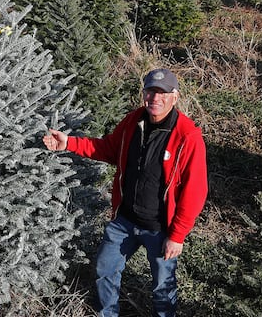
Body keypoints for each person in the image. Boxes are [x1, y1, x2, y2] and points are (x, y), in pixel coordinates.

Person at [43, 68, 208, 317]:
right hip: (124, 221)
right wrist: (69, 143)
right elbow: (108, 149)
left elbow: (195, 191)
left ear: (175, 96)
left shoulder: (187, 136)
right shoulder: (134, 121)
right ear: (144, 93)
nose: (155, 98)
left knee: (163, 287)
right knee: (105, 269)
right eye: (151, 91)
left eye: (162, 93)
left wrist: (177, 235)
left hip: (160, 229)